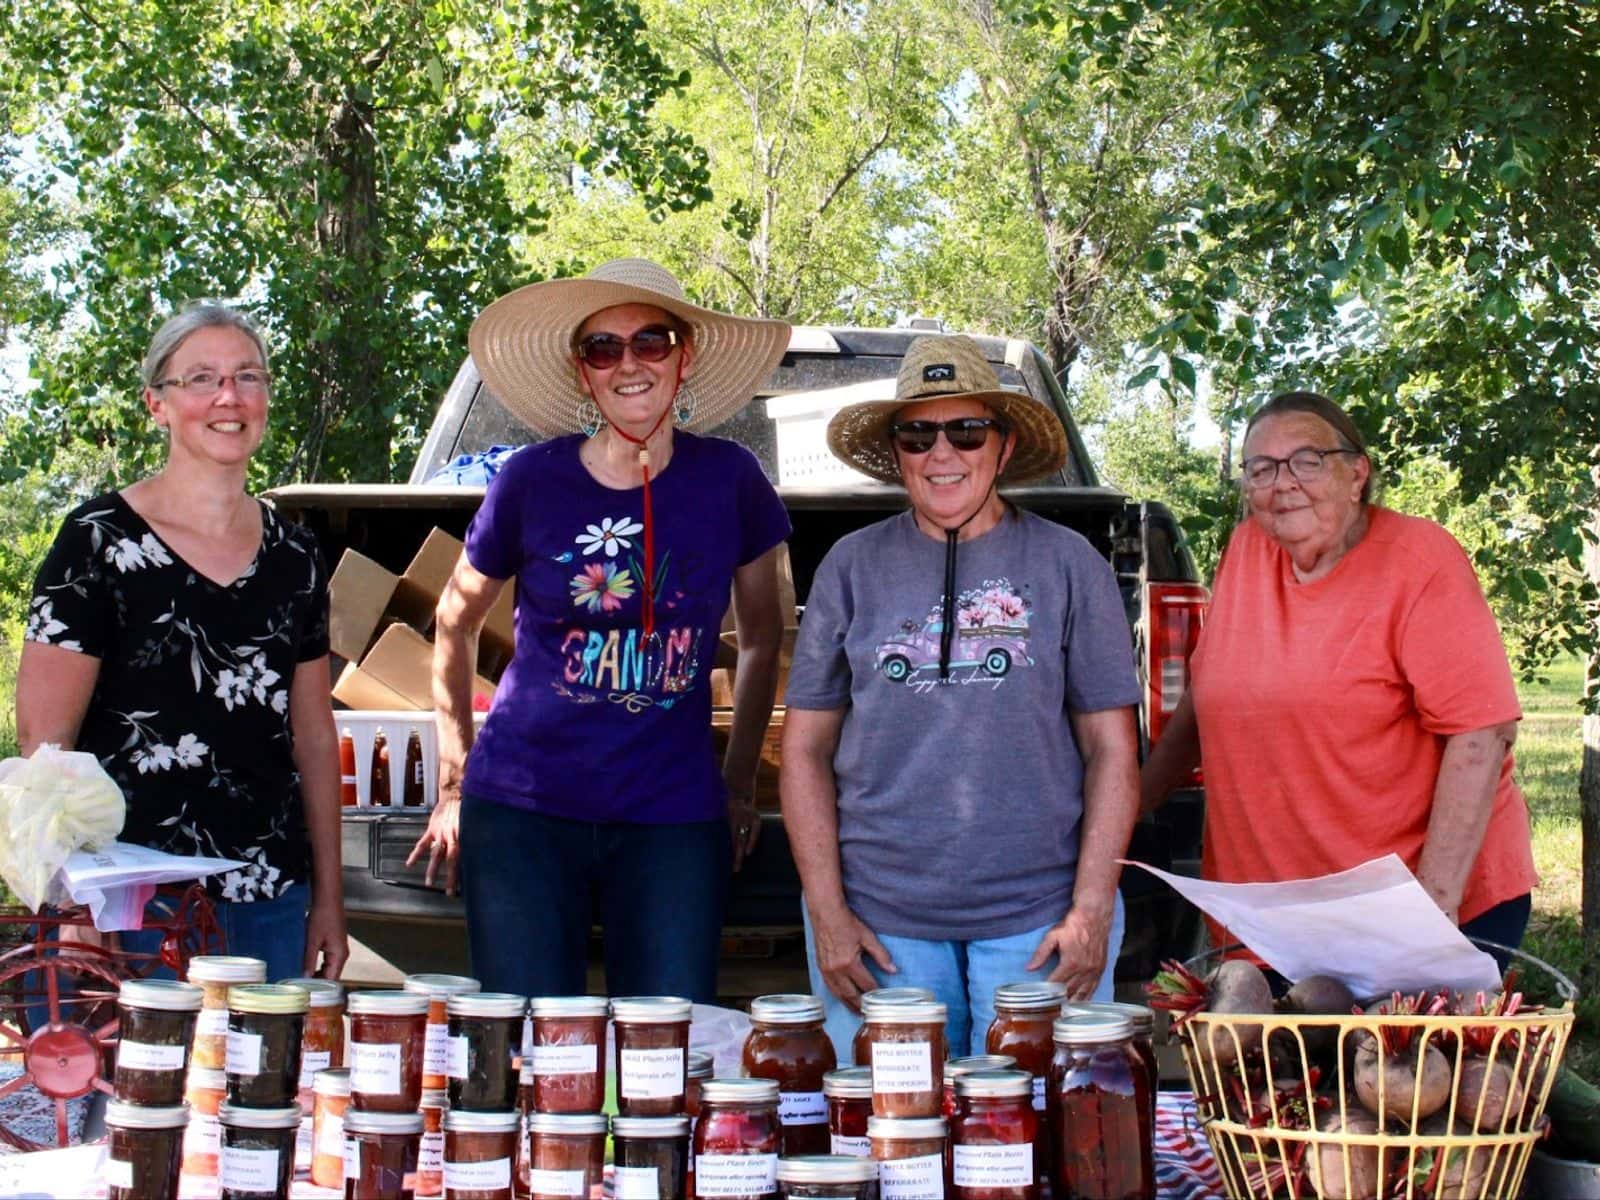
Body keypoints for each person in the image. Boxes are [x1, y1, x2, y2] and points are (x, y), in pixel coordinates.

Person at [407, 258, 792, 1002]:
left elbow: (763, 639)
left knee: (667, 1042)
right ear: (583, 375)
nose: (629, 364)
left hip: (672, 818)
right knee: (525, 1039)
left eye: (651, 341)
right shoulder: (529, 480)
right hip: (522, 811)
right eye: (603, 348)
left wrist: (740, 783)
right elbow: (454, 623)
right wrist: (455, 782)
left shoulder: (732, 479)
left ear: (684, 357)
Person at [780, 334, 1143, 1058]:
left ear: (1003, 448)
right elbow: (804, 750)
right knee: (893, 1125)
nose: (942, 453)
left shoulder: (1071, 564)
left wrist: (1092, 908)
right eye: (918, 435)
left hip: (1040, 924)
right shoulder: (850, 567)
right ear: (897, 453)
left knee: (1033, 1124)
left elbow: (1112, 750)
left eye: (967, 431)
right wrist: (827, 912)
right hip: (881, 927)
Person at [16, 302, 348, 980]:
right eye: (201, 378)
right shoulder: (98, 541)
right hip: (128, 902)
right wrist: (75, 900)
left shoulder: (296, 554)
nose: (229, 396)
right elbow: (44, 742)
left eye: (247, 376)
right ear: (157, 404)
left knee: (264, 1058)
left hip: (269, 896)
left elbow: (314, 736)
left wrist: (330, 899)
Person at [1140, 391, 1537, 950]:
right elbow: (1208, 698)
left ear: (1356, 474)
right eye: (1261, 468)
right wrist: (1134, 804)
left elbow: (1482, 732)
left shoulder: (1420, 561)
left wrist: (1432, 916)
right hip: (1273, 911)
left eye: (1307, 461)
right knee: (1256, 1015)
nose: (1283, 483)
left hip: (1412, 908)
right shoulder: (1247, 549)